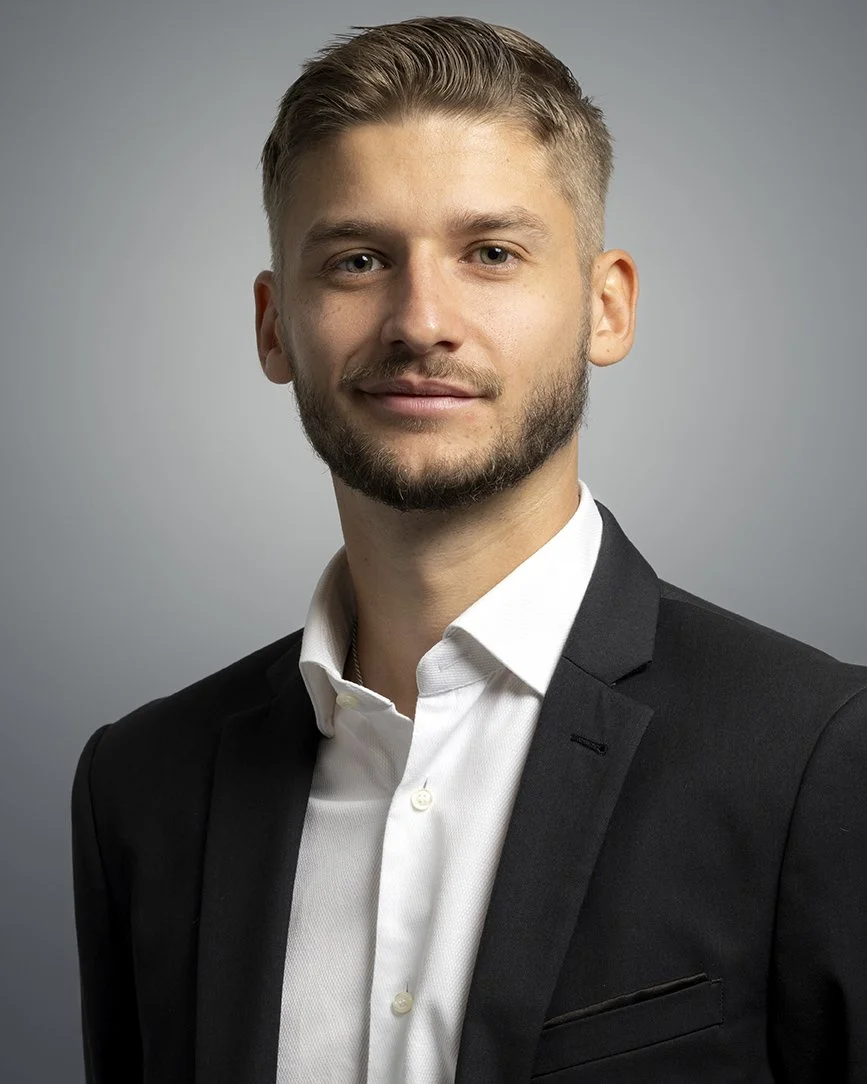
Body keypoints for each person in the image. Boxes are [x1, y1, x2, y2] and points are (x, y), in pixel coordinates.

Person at [71, 15, 867, 1084]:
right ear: (274, 326)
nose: (422, 319)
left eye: (491, 253)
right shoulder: (144, 784)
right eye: (358, 259)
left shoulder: (823, 757)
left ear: (606, 305)